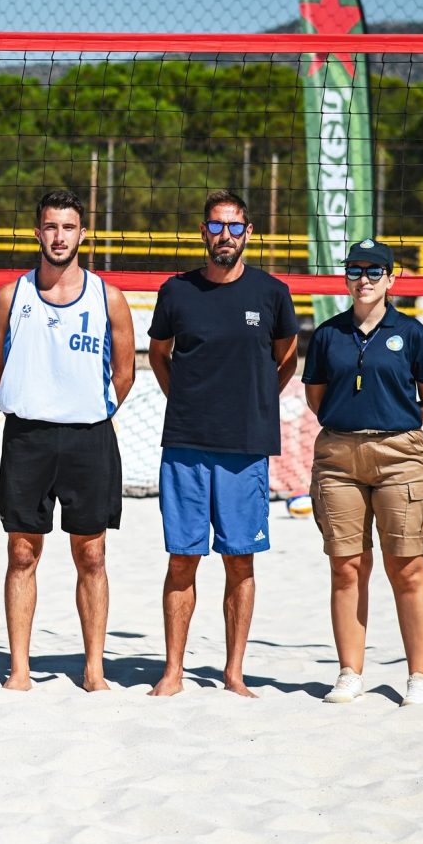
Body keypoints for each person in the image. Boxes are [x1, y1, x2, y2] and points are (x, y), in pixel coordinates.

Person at [147, 189, 298, 698]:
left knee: (240, 560)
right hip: (186, 443)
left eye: (234, 226)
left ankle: (234, 673)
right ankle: (173, 671)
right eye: (216, 226)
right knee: (182, 559)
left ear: (248, 232)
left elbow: (287, 358)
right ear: (203, 232)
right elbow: (159, 354)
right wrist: (184, 400)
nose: (225, 235)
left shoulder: (272, 293)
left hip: (245, 447)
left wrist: (257, 403)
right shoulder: (177, 291)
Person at [0, 189, 135, 692]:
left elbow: (125, 372)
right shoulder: (11, 296)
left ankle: (94, 669)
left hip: (88, 437)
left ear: (82, 234)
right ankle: (20, 669)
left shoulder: (108, 297)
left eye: (68, 227)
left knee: (91, 555)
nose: (59, 236)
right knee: (22, 554)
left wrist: (89, 408)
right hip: (28, 437)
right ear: (37, 232)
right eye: (50, 226)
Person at [302, 240, 423, 706]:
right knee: (346, 566)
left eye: (373, 271)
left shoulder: (413, 333)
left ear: (390, 278)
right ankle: (350, 673)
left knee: (407, 567)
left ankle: (419, 677)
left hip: (400, 454)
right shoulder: (327, 335)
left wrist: (391, 421)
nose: (362, 279)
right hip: (339, 457)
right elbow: (316, 398)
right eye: (354, 270)